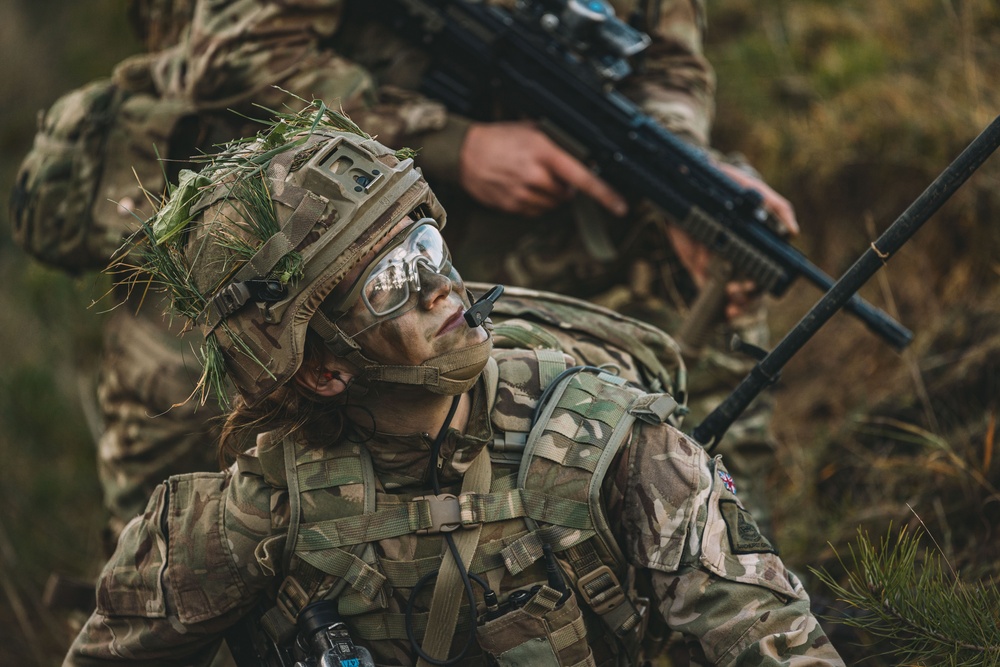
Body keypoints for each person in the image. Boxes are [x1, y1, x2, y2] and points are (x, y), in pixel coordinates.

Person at [64, 106, 843, 667]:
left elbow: (774, 636)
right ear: (325, 369)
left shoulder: (618, 447)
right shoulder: (257, 512)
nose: (441, 285)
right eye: (390, 284)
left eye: (427, 245)